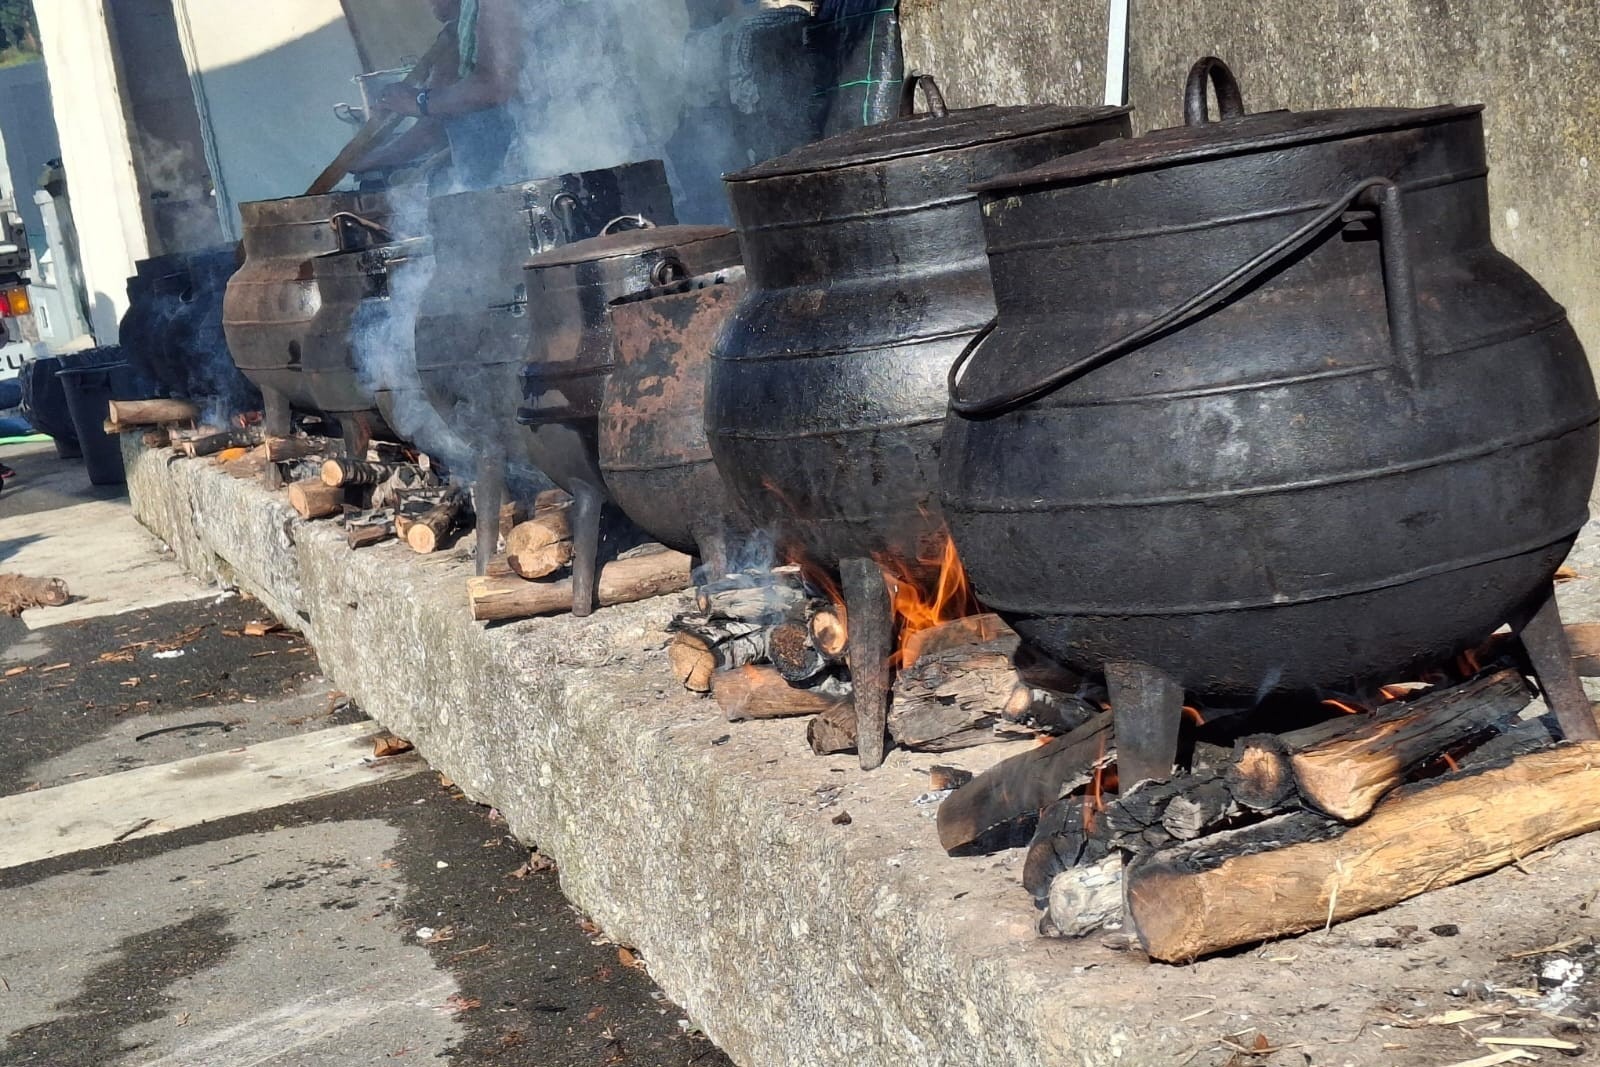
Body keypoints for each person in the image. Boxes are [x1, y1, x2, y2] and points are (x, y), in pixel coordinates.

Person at [354, 0, 526, 192]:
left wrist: (417, 101)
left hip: (513, 177)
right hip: (515, 173)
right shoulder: (460, 29)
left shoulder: (466, 31)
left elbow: (494, 86)